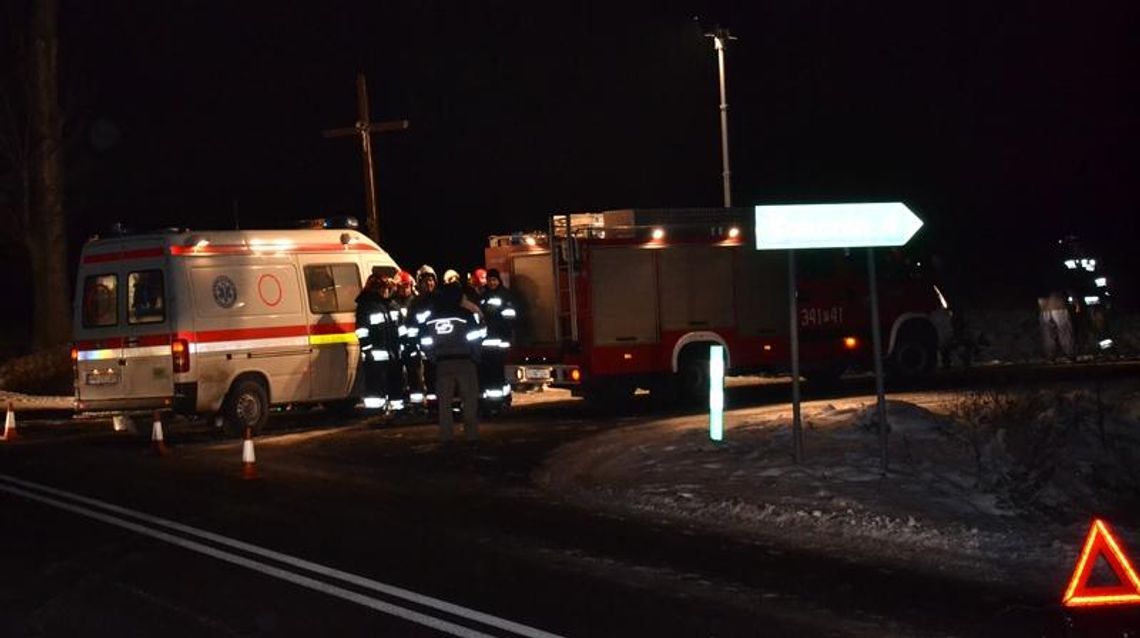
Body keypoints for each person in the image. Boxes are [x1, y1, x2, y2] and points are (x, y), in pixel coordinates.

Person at [420, 274, 484, 443]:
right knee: (469, 401)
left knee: (444, 404)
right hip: (465, 362)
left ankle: (446, 437)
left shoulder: (431, 318)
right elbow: (475, 338)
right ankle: (471, 437)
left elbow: (425, 341)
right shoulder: (465, 315)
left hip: (442, 364)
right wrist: (475, 357)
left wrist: (432, 357)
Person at [354, 272, 400, 411]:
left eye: (387, 288)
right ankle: (375, 410)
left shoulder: (387, 304)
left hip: (390, 353)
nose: (386, 291)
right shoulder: (366, 305)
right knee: (375, 384)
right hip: (374, 354)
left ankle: (394, 409)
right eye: (382, 288)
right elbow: (362, 330)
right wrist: (367, 350)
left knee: (393, 382)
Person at [477, 268, 518, 410]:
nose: (492, 282)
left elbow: (510, 316)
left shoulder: (505, 295)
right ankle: (492, 401)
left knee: (499, 373)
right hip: (486, 343)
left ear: (498, 280)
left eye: (494, 280)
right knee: (489, 373)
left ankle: (503, 400)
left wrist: (498, 318)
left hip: (501, 341)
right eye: (489, 280)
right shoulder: (483, 296)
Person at [408, 265, 439, 408]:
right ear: (419, 283)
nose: (429, 283)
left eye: (431, 280)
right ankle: (432, 405)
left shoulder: (440, 300)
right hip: (425, 348)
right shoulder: (415, 303)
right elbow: (411, 326)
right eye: (425, 281)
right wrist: (414, 346)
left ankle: (443, 403)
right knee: (429, 377)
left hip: (441, 346)